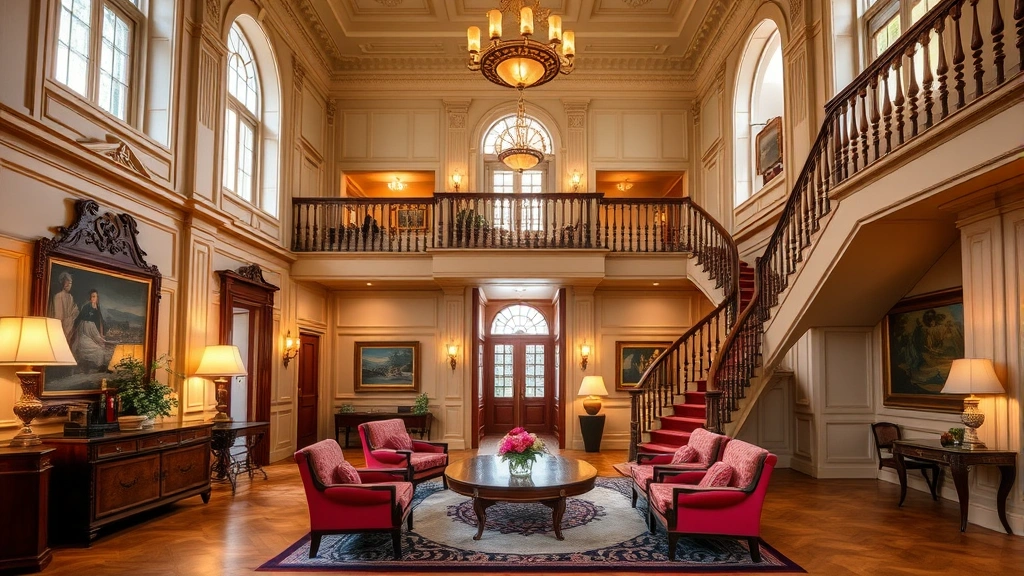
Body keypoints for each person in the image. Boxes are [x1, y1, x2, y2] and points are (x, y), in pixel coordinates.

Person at [72, 289, 112, 373]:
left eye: (94, 296)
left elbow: (99, 321)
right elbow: (79, 318)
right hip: (84, 330)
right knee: (87, 348)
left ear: (97, 297)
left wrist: (102, 332)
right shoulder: (86, 306)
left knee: (100, 348)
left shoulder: (97, 308)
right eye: (91, 297)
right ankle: (85, 367)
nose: (92, 298)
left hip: (93, 330)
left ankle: (100, 366)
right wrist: (74, 329)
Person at [51, 271, 79, 342]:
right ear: (63, 283)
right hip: (62, 327)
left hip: (70, 326)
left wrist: (73, 315)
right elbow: (58, 316)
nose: (69, 285)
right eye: (67, 283)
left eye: (70, 283)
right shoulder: (58, 296)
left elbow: (75, 310)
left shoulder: (70, 297)